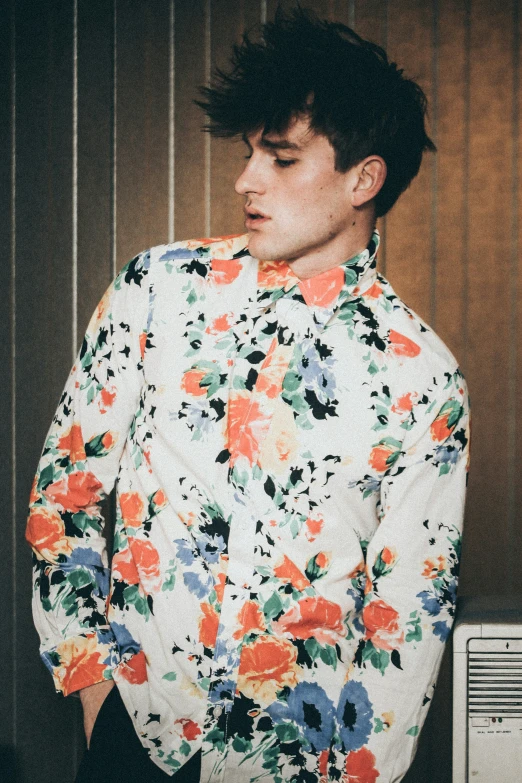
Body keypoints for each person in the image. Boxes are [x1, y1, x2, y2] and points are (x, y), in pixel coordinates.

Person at [26, 7, 470, 783]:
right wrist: (91, 680)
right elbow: (63, 497)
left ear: (363, 178)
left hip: (301, 760)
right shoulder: (156, 291)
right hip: (135, 733)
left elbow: (409, 608)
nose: (245, 180)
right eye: (249, 154)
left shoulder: (424, 377)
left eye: (283, 159)